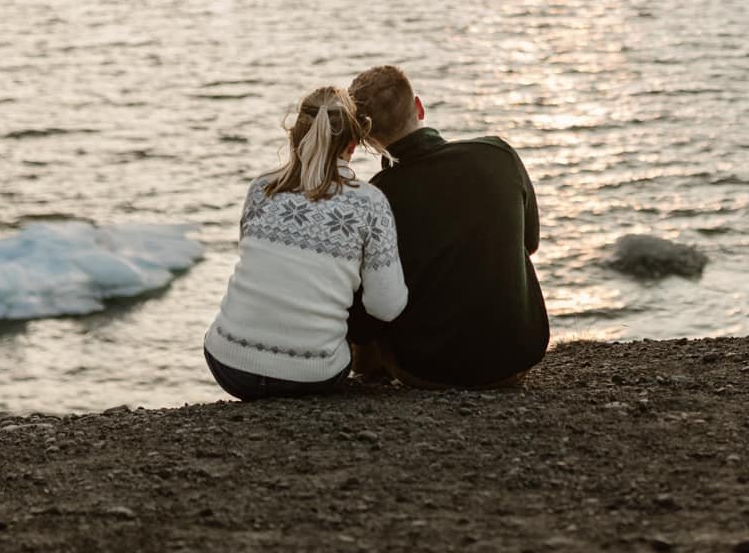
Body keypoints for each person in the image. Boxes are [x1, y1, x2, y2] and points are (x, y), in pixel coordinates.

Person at [345, 66, 548, 387]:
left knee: (369, 285)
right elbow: (530, 242)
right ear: (419, 107)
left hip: (427, 369)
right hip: (516, 356)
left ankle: (367, 374)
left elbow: (364, 315)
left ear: (366, 139)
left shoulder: (373, 198)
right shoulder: (498, 154)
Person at [202, 86, 406, 399]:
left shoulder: (262, 189)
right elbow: (386, 307)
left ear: (296, 137)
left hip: (229, 365)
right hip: (313, 377)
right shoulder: (369, 203)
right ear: (352, 144)